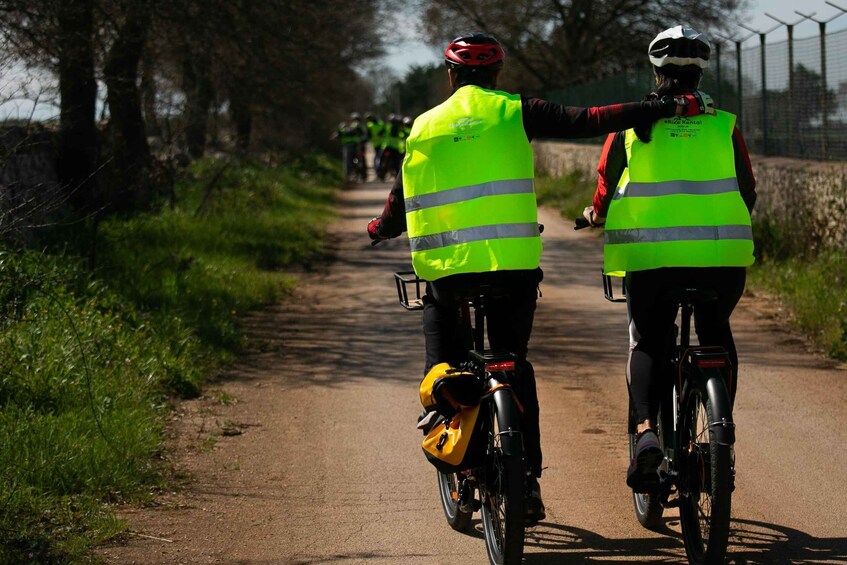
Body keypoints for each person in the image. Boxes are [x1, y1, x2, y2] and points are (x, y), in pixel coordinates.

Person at [366, 32, 707, 522]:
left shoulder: (423, 126)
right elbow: (588, 120)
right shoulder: (514, 110)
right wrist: (658, 108)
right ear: (498, 74)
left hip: (447, 273)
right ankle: (526, 480)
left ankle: (460, 467)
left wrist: (379, 228)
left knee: (445, 362)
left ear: (450, 75)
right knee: (513, 362)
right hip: (514, 267)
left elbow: (400, 200)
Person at [581, 25, 757, 493]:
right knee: (715, 332)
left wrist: (595, 213)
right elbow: (748, 189)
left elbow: (605, 185)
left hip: (652, 258)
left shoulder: (631, 125)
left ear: (655, 71)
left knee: (649, 345)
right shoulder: (725, 125)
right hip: (721, 257)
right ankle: (722, 433)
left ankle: (645, 435)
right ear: (700, 72)